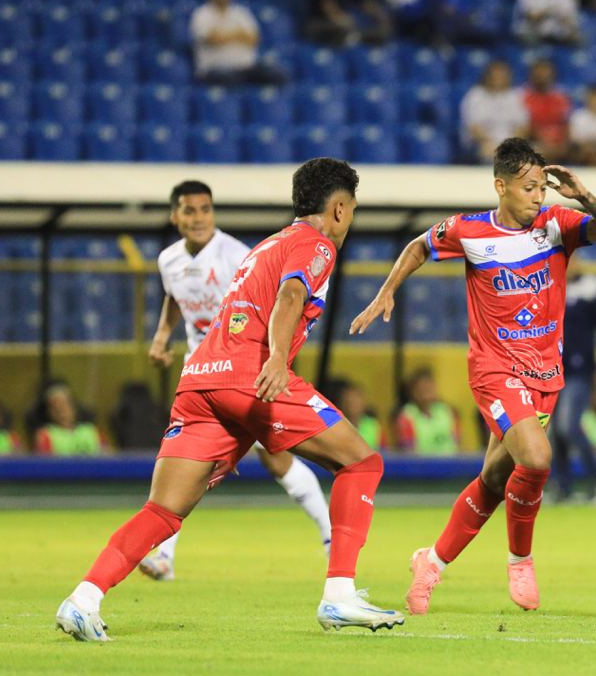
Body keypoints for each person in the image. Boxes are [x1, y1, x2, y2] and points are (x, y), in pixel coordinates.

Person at [56, 158, 405, 641]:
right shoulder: (317, 244)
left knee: (162, 510)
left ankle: (83, 599)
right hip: (250, 374)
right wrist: (279, 359)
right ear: (340, 208)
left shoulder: (264, 246)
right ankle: (340, 594)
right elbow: (289, 297)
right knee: (361, 463)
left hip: (200, 380)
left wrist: (236, 433)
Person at [350, 138, 596, 614]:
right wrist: (386, 292)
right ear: (500, 186)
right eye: (528, 187)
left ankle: (431, 561)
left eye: (542, 187)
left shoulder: (556, 224)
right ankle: (520, 558)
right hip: (494, 369)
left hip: (545, 373)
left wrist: (582, 195)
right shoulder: (469, 230)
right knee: (538, 458)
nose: (538, 196)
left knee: (494, 479)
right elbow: (418, 247)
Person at [140, 179, 333, 582]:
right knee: (192, 462)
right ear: (174, 216)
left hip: (245, 370)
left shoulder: (235, 255)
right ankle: (164, 554)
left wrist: (277, 361)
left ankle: (331, 535)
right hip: (201, 373)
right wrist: (162, 334)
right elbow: (175, 295)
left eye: (205, 209)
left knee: (272, 458)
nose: (198, 218)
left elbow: (277, 302)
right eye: (189, 210)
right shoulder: (168, 260)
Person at [550, 263, 596, 500]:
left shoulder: (591, 287)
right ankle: (563, 487)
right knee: (555, 432)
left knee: (567, 425)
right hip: (552, 370)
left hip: (580, 369)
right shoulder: (549, 285)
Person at [190, 0, 286, 86]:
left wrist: (225, 35)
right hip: (215, 68)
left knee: (277, 74)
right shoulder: (202, 14)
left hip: (247, 67)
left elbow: (253, 39)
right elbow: (213, 40)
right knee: (231, 79)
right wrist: (238, 34)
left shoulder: (241, 12)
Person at [460, 60, 530, 164]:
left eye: (502, 76)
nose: (498, 79)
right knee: (489, 151)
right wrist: (495, 145)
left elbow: (523, 127)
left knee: (528, 153)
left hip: (510, 144)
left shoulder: (516, 96)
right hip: (482, 143)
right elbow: (474, 129)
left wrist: (510, 145)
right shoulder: (475, 95)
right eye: (495, 76)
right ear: (487, 76)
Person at [395, 368, 461, 454]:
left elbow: (458, 445)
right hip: (420, 465)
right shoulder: (407, 416)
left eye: (429, 387)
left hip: (449, 464)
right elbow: (408, 451)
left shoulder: (447, 412)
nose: (426, 391)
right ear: (413, 392)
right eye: (422, 388)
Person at [523, 59, 571, 163]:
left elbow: (566, 123)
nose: (542, 77)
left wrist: (563, 144)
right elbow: (525, 125)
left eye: (545, 73)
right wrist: (542, 142)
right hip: (534, 142)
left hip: (560, 144)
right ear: (532, 75)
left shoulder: (561, 97)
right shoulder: (524, 97)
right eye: (539, 74)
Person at [35, 383, 104, 455]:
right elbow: (44, 464)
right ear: (49, 412)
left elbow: (109, 458)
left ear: (73, 407)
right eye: (55, 407)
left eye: (63, 405)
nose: (60, 410)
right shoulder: (45, 435)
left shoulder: (92, 431)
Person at [333, 380, 383, 451]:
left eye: (356, 401)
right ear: (341, 403)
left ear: (364, 403)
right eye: (349, 401)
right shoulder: (335, 426)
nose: (352, 405)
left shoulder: (373, 425)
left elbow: (384, 451)